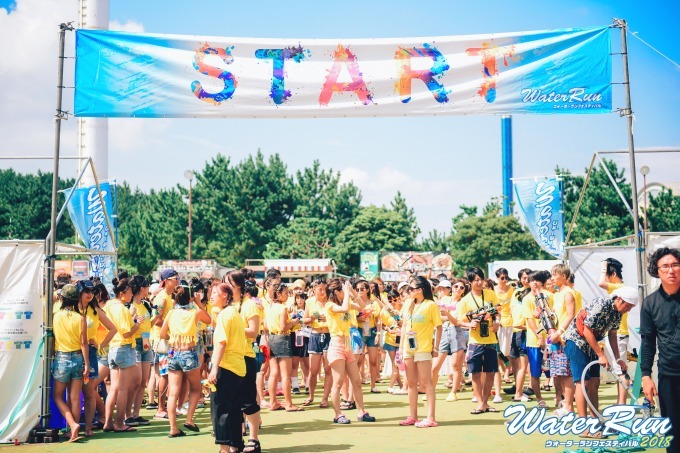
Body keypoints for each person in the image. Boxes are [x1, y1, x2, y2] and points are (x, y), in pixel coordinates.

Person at [562, 286, 637, 436]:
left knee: (595, 382)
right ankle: (583, 426)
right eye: (628, 306)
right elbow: (586, 330)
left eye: (631, 307)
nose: (628, 310)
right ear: (619, 299)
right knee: (583, 382)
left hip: (591, 344)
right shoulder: (601, 305)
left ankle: (595, 422)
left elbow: (612, 335)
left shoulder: (617, 313)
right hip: (575, 342)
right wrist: (600, 354)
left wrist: (617, 359)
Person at [640, 247, 680, 453]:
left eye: (675, 264)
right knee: (672, 433)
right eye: (665, 266)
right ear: (657, 271)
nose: (671, 270)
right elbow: (647, 343)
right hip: (669, 375)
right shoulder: (650, 304)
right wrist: (645, 376)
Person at [159, 280, 211, 437]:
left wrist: (174, 337)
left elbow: (162, 334)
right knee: (195, 388)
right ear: (190, 298)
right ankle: (189, 419)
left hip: (174, 352)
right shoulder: (195, 312)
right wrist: (198, 303)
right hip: (189, 352)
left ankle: (173, 427)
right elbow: (210, 320)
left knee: (173, 392)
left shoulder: (171, 313)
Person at [324, 278, 376, 424]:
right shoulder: (330, 305)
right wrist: (347, 294)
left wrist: (352, 291)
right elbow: (345, 308)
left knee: (357, 381)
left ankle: (361, 411)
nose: (344, 293)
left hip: (348, 346)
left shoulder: (345, 301)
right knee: (338, 382)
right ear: (336, 292)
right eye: (342, 291)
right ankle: (338, 414)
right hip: (337, 346)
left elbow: (361, 307)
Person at [227, 270, 263, 453]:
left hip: (246, 356)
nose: (225, 287)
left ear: (238, 286)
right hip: (228, 359)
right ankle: (236, 440)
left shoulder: (249, 305)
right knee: (232, 402)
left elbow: (254, 332)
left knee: (248, 400)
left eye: (229, 284)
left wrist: (234, 329)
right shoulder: (227, 305)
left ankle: (254, 439)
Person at [399, 276, 442, 427]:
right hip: (408, 348)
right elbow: (404, 325)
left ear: (420, 290)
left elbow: (439, 326)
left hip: (423, 348)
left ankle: (431, 417)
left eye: (411, 288)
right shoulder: (407, 304)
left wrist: (435, 347)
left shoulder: (431, 305)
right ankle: (413, 416)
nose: (408, 291)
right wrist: (400, 348)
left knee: (426, 382)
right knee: (411, 383)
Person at [209, 283, 247, 453]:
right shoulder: (235, 314)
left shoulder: (225, 315)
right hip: (238, 367)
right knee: (234, 410)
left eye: (215, 293)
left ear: (225, 295)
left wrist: (214, 368)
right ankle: (236, 445)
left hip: (226, 366)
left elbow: (221, 343)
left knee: (220, 410)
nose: (211, 295)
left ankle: (225, 448)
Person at [457, 268, 500, 415]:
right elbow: (459, 320)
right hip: (475, 340)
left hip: (491, 339)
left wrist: (497, 322)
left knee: (490, 372)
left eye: (481, 279)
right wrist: (470, 324)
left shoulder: (490, 294)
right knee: (475, 372)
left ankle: (486, 403)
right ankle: (480, 403)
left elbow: (497, 310)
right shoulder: (465, 300)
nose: (479, 282)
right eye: (475, 280)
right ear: (469, 282)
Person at [78, 279, 117, 437]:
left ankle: (89, 426)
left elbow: (113, 329)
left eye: (92, 291)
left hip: (92, 354)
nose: (89, 294)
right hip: (73, 352)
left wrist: (100, 344)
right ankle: (72, 427)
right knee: (74, 392)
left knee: (90, 391)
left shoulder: (95, 311)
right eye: (86, 291)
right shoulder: (72, 310)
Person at [104, 278, 144, 433]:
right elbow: (127, 332)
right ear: (122, 294)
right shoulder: (120, 308)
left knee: (114, 388)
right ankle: (119, 423)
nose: (131, 295)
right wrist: (137, 324)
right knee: (122, 389)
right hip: (123, 347)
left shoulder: (109, 305)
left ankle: (108, 422)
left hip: (113, 348)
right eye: (129, 292)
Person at [52, 284, 89, 442]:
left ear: (62, 298)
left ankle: (72, 425)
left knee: (57, 396)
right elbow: (84, 343)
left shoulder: (55, 315)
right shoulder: (81, 318)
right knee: (75, 397)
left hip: (62, 358)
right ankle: (72, 431)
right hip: (79, 358)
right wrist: (87, 364)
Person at [265, 283, 303, 411]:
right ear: (279, 294)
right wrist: (293, 322)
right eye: (286, 293)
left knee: (273, 373)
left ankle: (273, 402)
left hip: (271, 338)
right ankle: (288, 403)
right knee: (285, 374)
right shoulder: (282, 308)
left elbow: (265, 326)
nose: (288, 296)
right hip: (282, 339)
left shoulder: (269, 307)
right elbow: (283, 327)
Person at [597, 257, 629, 404]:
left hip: (618, 334)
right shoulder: (621, 288)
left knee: (620, 370)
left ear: (613, 274)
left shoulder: (619, 288)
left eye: (608, 275)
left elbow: (601, 282)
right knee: (618, 370)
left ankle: (621, 404)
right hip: (617, 333)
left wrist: (604, 266)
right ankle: (620, 402)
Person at [548, 264, 579, 416]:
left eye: (555, 275)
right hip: (556, 339)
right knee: (560, 373)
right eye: (552, 275)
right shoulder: (556, 294)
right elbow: (556, 315)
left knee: (567, 374)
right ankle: (566, 405)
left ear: (564, 277)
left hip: (566, 339)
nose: (552, 278)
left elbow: (570, 315)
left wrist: (559, 332)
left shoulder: (568, 293)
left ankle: (569, 408)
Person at [151, 269, 180, 420]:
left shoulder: (168, 296)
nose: (178, 281)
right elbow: (156, 320)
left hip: (167, 340)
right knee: (165, 375)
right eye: (176, 278)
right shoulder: (162, 298)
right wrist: (171, 328)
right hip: (162, 341)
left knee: (169, 375)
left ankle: (167, 406)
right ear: (167, 280)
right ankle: (160, 408)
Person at [126, 275, 153, 427]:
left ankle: (136, 414)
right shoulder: (129, 306)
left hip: (146, 342)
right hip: (134, 343)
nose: (148, 289)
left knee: (143, 381)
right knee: (135, 381)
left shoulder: (146, 305)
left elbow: (150, 323)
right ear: (142, 288)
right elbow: (126, 327)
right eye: (147, 286)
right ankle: (127, 414)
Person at [303, 278, 333, 408]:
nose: (322, 291)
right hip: (315, 335)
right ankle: (311, 395)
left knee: (328, 369)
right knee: (313, 370)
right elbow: (304, 320)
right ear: (314, 290)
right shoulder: (309, 302)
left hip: (328, 335)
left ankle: (325, 398)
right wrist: (312, 318)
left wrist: (329, 318)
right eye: (319, 289)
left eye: (324, 289)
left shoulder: (331, 302)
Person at [508, 269, 531, 403]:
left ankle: (521, 390)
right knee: (521, 365)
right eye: (524, 278)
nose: (526, 280)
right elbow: (513, 310)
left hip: (523, 330)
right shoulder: (517, 293)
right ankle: (518, 392)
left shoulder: (531, 293)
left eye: (528, 277)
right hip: (522, 330)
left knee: (523, 365)